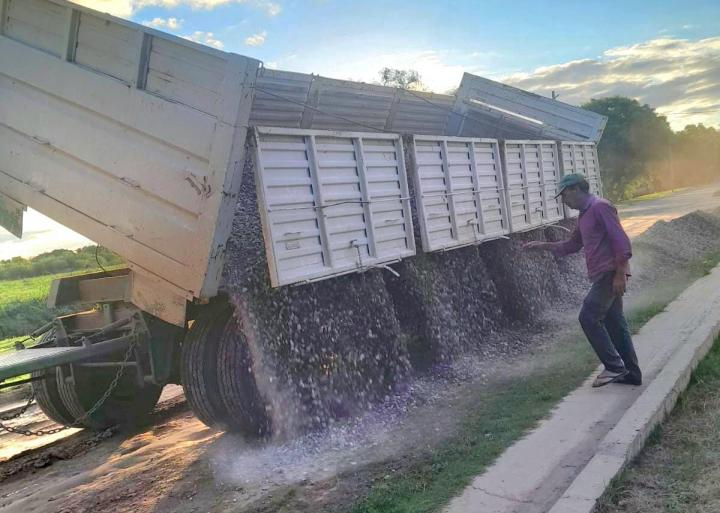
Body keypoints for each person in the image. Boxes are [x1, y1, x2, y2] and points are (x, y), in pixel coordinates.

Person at [524, 174, 642, 387]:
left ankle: (614, 367)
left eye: (564, 194)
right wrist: (542, 246)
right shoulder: (584, 214)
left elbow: (621, 242)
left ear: (577, 189)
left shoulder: (600, 207)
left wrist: (620, 274)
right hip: (603, 275)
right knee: (615, 324)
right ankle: (632, 374)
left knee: (588, 317)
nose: (563, 200)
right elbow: (573, 245)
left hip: (609, 274)